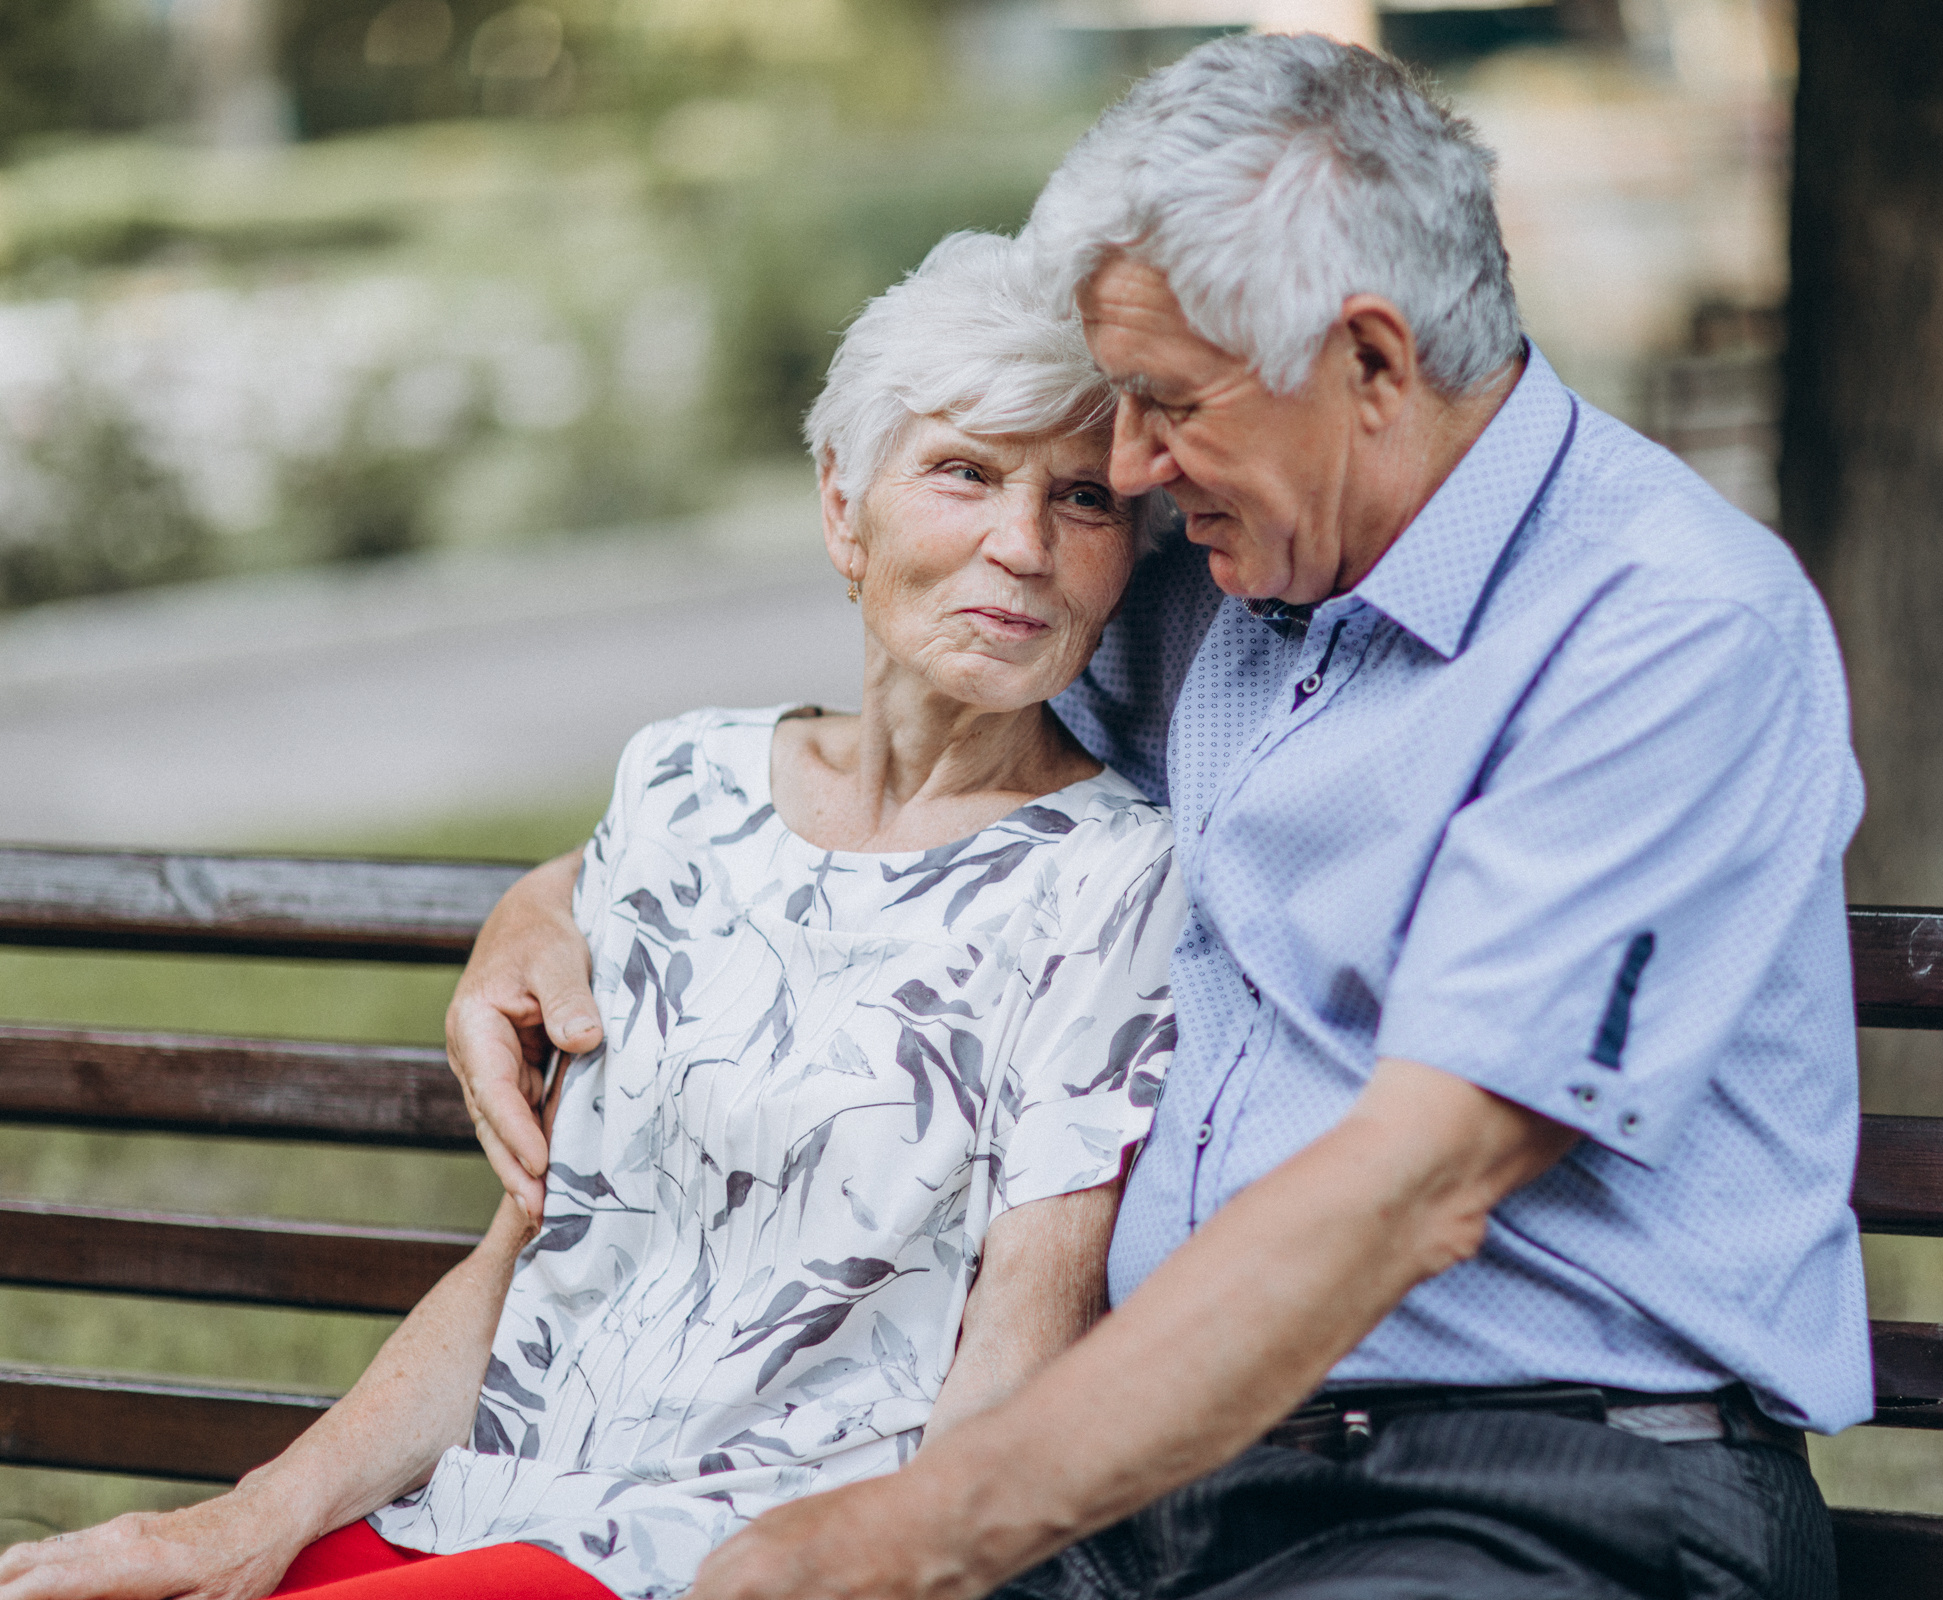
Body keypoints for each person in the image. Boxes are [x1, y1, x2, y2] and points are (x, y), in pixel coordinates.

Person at [447, 34, 1870, 1600]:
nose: (1125, 467)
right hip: (1172, 1478)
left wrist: (918, 1534)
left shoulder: (1663, 634)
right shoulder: (1231, 568)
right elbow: (918, 744)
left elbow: (1419, 1183)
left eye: (1165, 401)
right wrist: (558, 894)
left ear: (1372, 365)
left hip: (1544, 1487)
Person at [0, 231, 1183, 1600]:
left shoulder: (1110, 878)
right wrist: (243, 1520)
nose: (1022, 546)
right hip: (480, 1509)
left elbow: (1023, 1349)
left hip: (736, 1558)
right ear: (842, 508)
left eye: (1083, 500)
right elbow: (526, 1261)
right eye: (964, 472)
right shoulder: (680, 783)